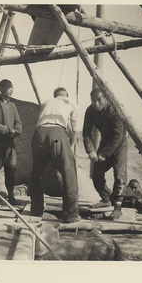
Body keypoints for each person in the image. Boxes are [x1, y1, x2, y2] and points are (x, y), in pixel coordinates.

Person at [28, 87, 81, 223]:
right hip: (57, 132)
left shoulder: (46, 102)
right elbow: (75, 131)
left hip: (39, 134)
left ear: (54, 95)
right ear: (66, 95)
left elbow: (40, 123)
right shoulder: (70, 102)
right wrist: (67, 146)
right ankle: (71, 214)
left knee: (37, 172)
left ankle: (36, 210)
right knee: (69, 172)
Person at [82, 87, 127, 219]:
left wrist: (104, 154)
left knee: (120, 175)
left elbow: (118, 135)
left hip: (120, 143)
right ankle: (106, 198)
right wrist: (90, 150)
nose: (96, 104)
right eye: (93, 101)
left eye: (99, 100)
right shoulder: (90, 111)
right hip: (106, 141)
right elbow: (86, 132)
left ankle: (118, 208)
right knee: (96, 173)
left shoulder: (115, 110)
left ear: (106, 99)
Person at [0, 79, 22, 205]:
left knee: (11, 168)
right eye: (8, 87)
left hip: (10, 144)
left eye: (12, 87)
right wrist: (8, 130)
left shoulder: (12, 106)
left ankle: (11, 196)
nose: (11, 90)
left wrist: (17, 131)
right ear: (1, 89)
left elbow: (18, 122)